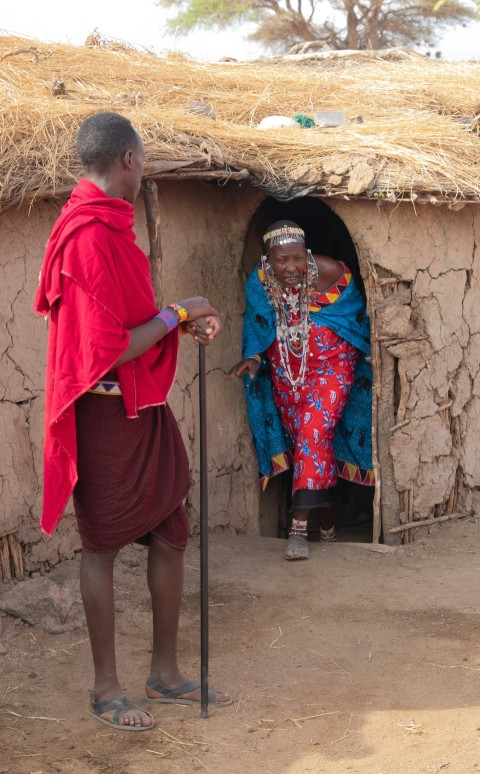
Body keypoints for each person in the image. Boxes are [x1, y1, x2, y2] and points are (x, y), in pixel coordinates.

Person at [33, 111, 231, 732]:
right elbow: (109, 348)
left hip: (140, 406)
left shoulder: (108, 228)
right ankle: (105, 688)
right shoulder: (88, 237)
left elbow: (134, 322)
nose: (143, 171)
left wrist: (180, 320)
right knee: (104, 542)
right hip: (103, 411)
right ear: (127, 160)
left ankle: (165, 673)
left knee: (172, 525)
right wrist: (180, 311)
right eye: (143, 161)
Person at [228, 220, 373, 561]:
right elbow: (257, 324)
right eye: (281, 261)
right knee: (310, 445)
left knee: (312, 431)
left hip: (333, 371)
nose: (290, 268)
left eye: (296, 259)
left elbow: (354, 318)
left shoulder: (333, 274)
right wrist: (252, 356)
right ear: (268, 259)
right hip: (288, 376)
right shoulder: (261, 283)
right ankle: (327, 521)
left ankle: (297, 529)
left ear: (306, 254)